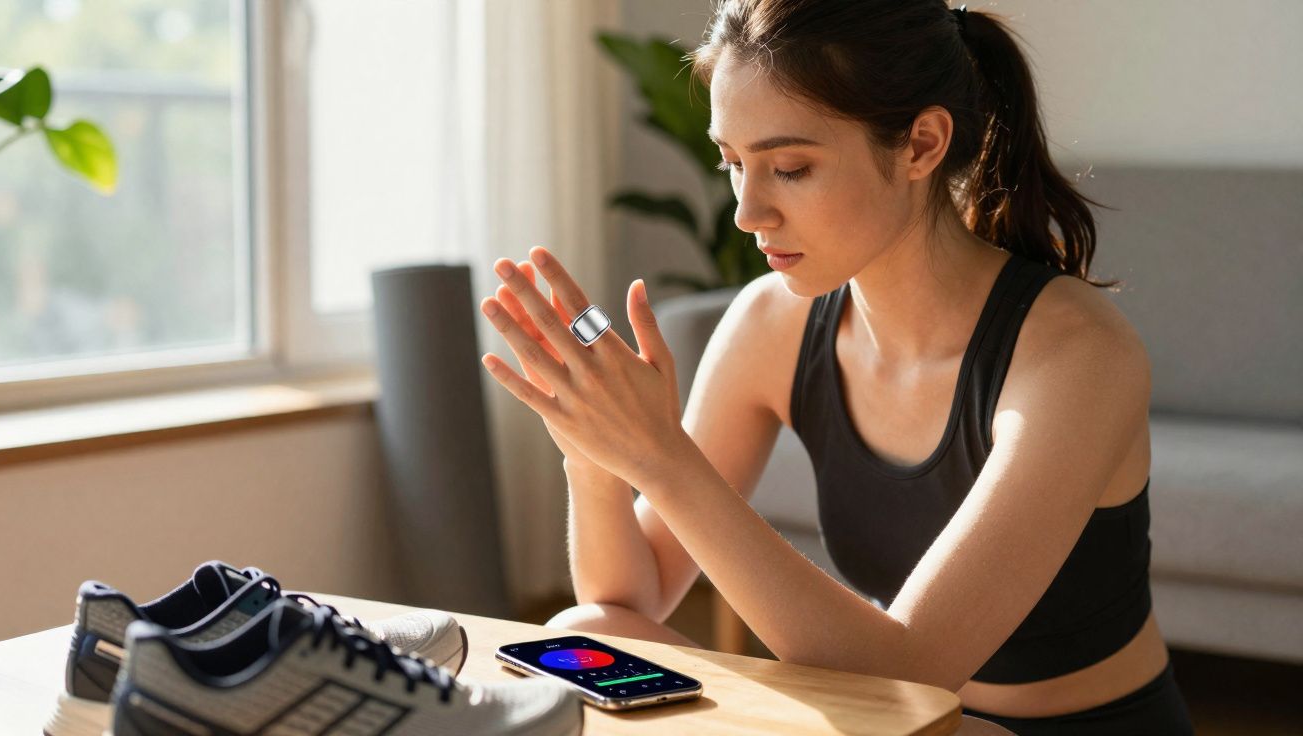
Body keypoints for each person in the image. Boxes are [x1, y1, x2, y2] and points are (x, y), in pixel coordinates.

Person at [477, 2, 1194, 733]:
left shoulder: (1077, 354)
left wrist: (664, 460)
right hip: (899, 723)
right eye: (733, 165)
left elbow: (906, 676)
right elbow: (628, 602)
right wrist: (596, 455)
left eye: (790, 167)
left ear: (921, 145)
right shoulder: (770, 322)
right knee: (591, 631)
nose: (747, 212)